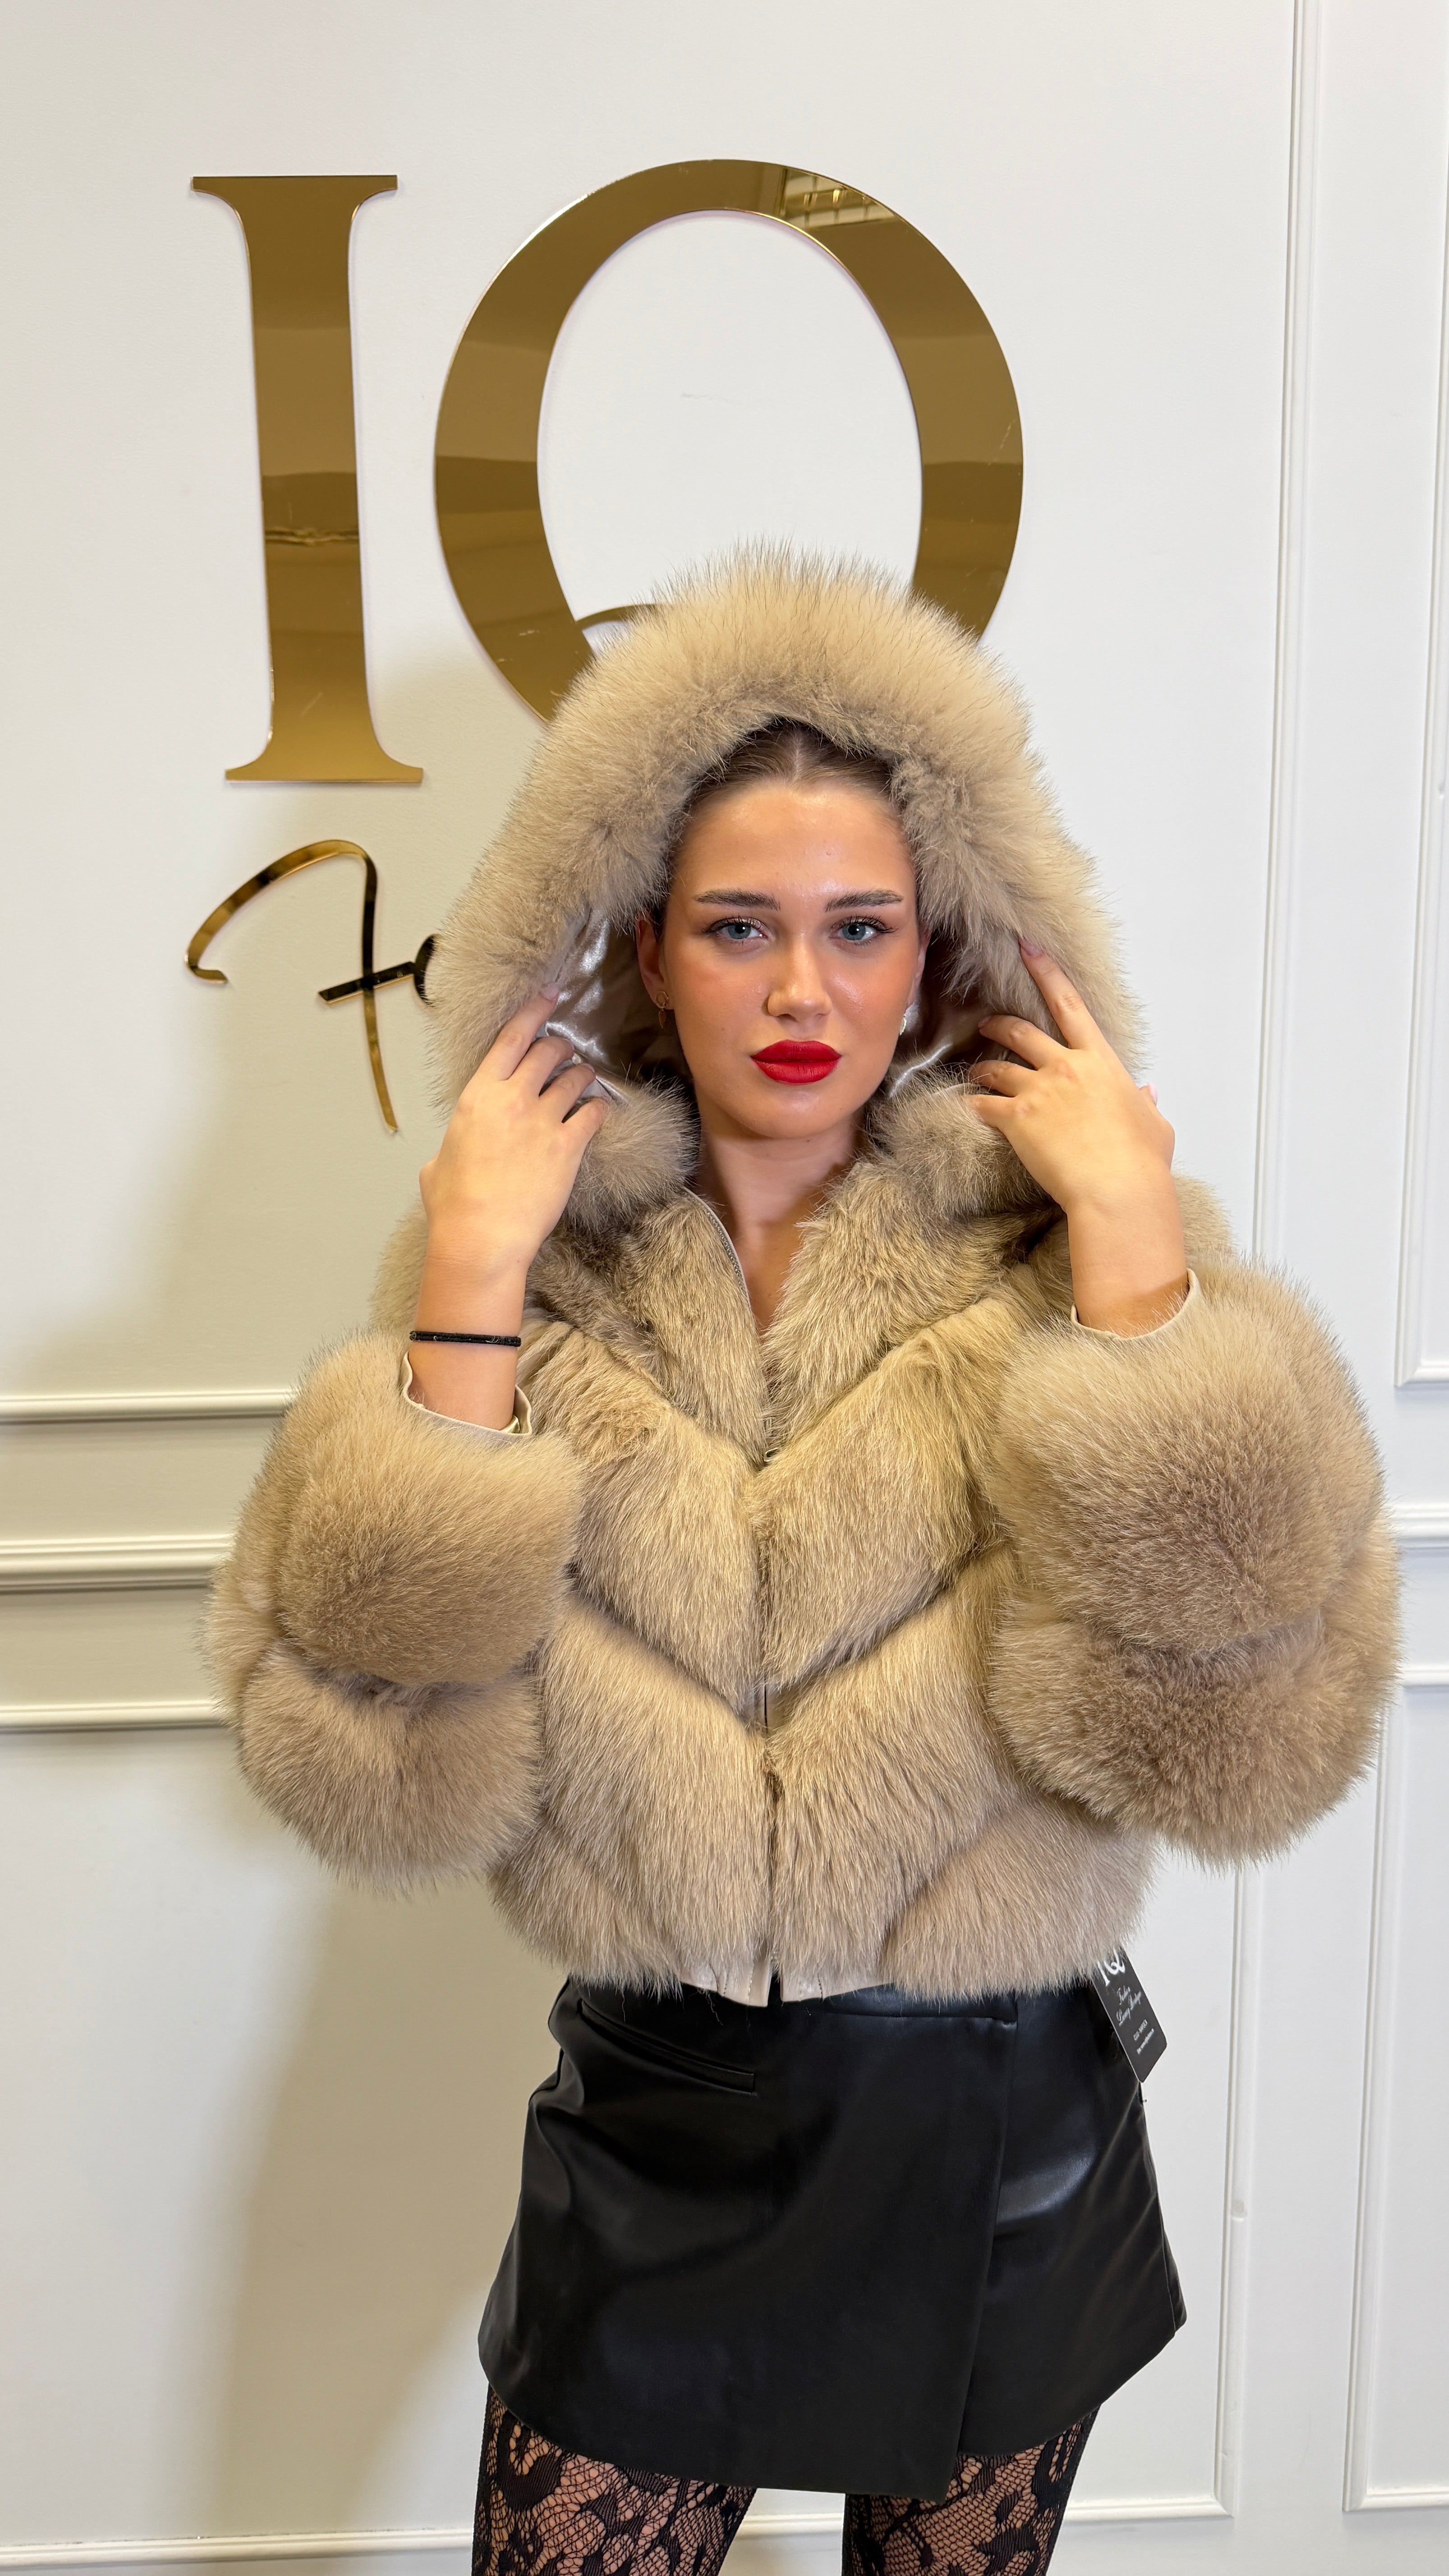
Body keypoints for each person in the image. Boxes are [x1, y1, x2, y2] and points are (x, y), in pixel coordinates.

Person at [210, 555, 1398, 2576]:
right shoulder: (525, 1269)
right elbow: (377, 1774)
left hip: (999, 2126)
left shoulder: (1074, 1248)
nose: (798, 993)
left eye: (860, 929)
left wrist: (1135, 1258)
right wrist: (475, 1271)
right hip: (657, 2109)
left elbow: (1250, 1748)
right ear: (641, 947)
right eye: (737, 927)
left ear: (937, 956)